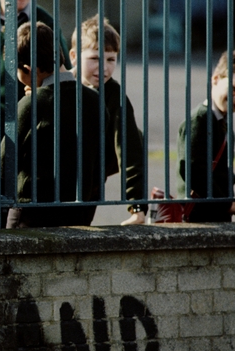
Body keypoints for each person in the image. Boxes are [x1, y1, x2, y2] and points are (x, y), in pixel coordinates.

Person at [2, 22, 108, 229]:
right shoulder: (94, 99)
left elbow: (3, 162)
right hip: (79, 213)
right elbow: (103, 163)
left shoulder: (31, 105)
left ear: (28, 69)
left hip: (31, 215)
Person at [69, 15, 146, 225]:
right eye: (94, 59)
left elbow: (131, 149)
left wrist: (137, 206)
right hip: (49, 184)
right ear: (74, 56)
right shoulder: (57, 87)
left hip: (89, 187)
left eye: (111, 60)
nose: (103, 68)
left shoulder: (114, 95)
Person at [178, 48, 235, 223]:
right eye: (234, 88)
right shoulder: (200, 119)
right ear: (215, 79)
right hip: (198, 216)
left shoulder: (222, 123)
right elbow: (193, 171)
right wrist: (225, 204)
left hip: (213, 214)